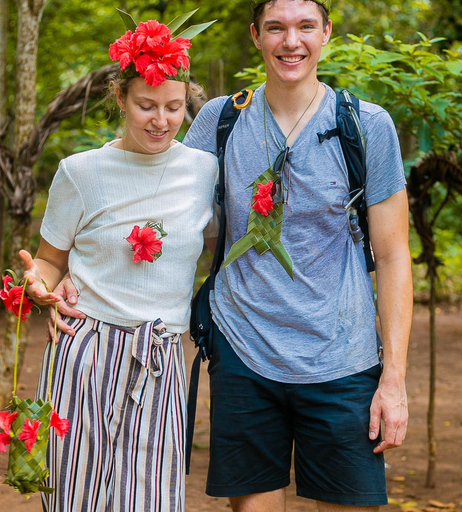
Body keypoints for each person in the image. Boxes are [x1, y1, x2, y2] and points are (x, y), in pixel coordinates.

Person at [56, 0, 412, 510]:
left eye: (305, 26)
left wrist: (393, 379)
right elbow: (153, 199)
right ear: (256, 35)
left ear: (326, 32)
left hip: (341, 358)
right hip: (244, 355)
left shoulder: (366, 126)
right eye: (276, 28)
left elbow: (395, 255)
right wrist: (72, 272)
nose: (292, 41)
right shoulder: (220, 121)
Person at [18, 13, 217, 512]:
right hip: (84, 350)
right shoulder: (81, 173)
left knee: (150, 499)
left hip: (161, 354)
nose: (161, 120)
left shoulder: (203, 171)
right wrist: (38, 285)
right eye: (146, 105)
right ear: (120, 100)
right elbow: (48, 262)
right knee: (72, 497)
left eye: (174, 107)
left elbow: (218, 246)